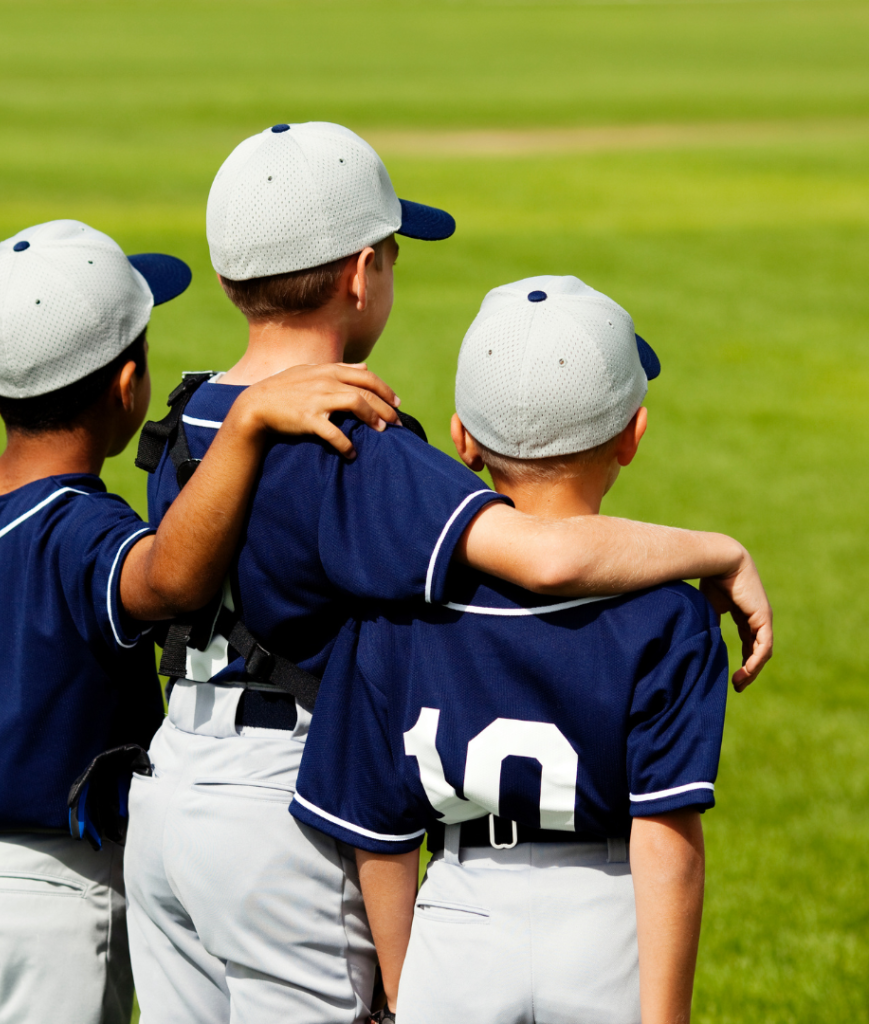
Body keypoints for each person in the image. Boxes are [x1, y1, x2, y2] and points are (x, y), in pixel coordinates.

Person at [125, 123, 770, 1024]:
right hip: (282, 806)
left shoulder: (192, 416)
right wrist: (718, 550)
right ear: (360, 274)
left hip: (166, 793)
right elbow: (544, 556)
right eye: (389, 255)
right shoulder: (356, 443)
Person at [0, 217, 403, 1024]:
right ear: (130, 387)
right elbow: (173, 580)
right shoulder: (85, 528)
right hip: (52, 893)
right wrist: (248, 425)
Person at [291, 275, 727, 1024]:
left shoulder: (399, 607)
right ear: (632, 434)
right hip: (604, 921)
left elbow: (384, 836)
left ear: (462, 440)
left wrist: (401, 987)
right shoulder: (668, 613)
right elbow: (667, 841)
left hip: (462, 918)